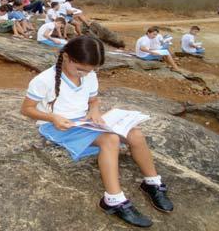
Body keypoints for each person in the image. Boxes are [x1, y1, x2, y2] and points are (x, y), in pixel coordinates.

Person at [20, 36, 173, 228]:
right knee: (110, 140)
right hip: (58, 126)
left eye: (90, 70)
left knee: (135, 134)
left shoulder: (89, 75)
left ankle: (152, 183)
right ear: (66, 57)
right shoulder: (44, 80)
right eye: (81, 69)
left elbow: (93, 100)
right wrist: (53, 117)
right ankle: (113, 199)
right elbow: (26, 109)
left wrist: (94, 111)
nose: (85, 74)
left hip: (83, 122)